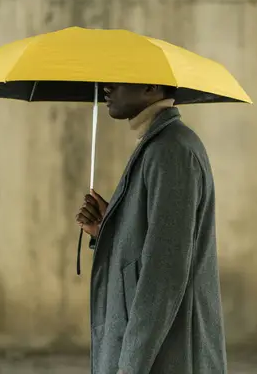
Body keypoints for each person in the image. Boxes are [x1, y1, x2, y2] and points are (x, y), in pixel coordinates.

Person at [75, 83, 227, 374]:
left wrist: (130, 366)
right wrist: (108, 229)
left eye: (118, 78)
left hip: (169, 356)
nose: (107, 87)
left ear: (150, 87)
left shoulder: (172, 151)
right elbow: (151, 248)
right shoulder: (158, 145)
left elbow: (164, 275)